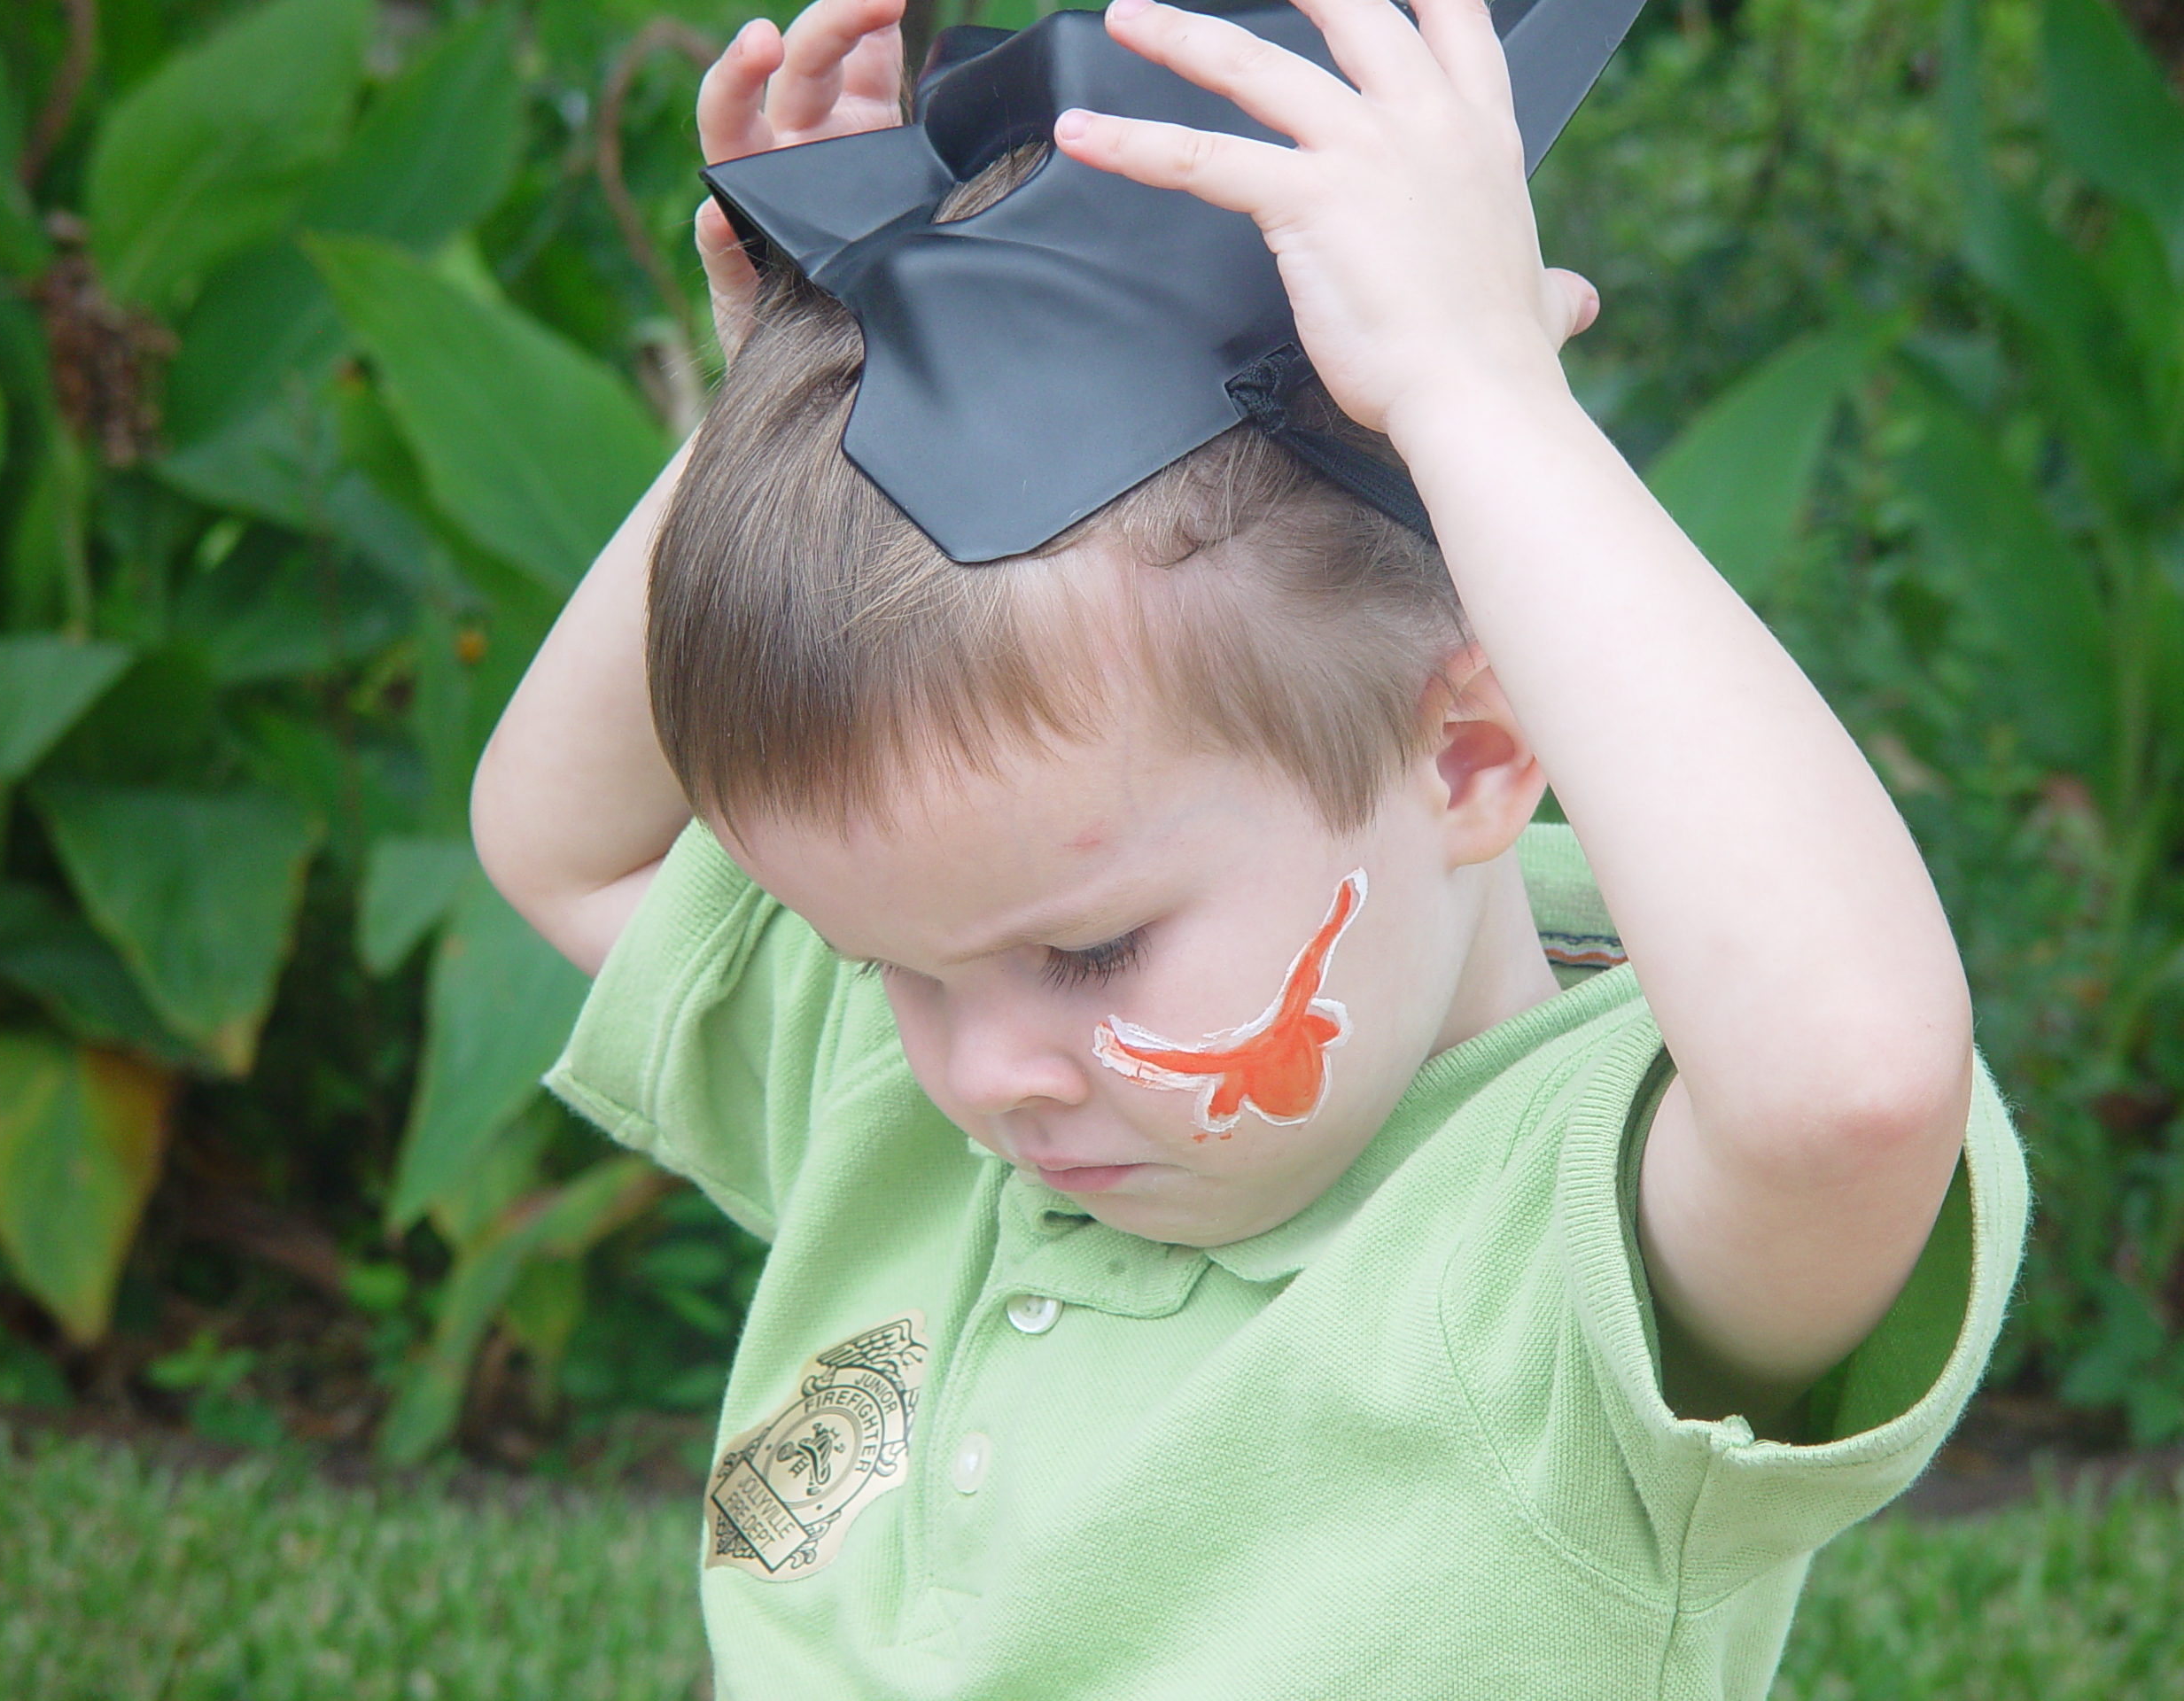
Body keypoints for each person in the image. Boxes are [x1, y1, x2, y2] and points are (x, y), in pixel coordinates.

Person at [471, 0, 2027, 1694]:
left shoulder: (1564, 1238)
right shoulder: (935, 1050)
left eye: (1090, 956)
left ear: (1477, 753)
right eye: (884, 968)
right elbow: (566, 850)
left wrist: (1475, 388)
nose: (983, 1076)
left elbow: (1852, 1088)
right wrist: (824, 377)